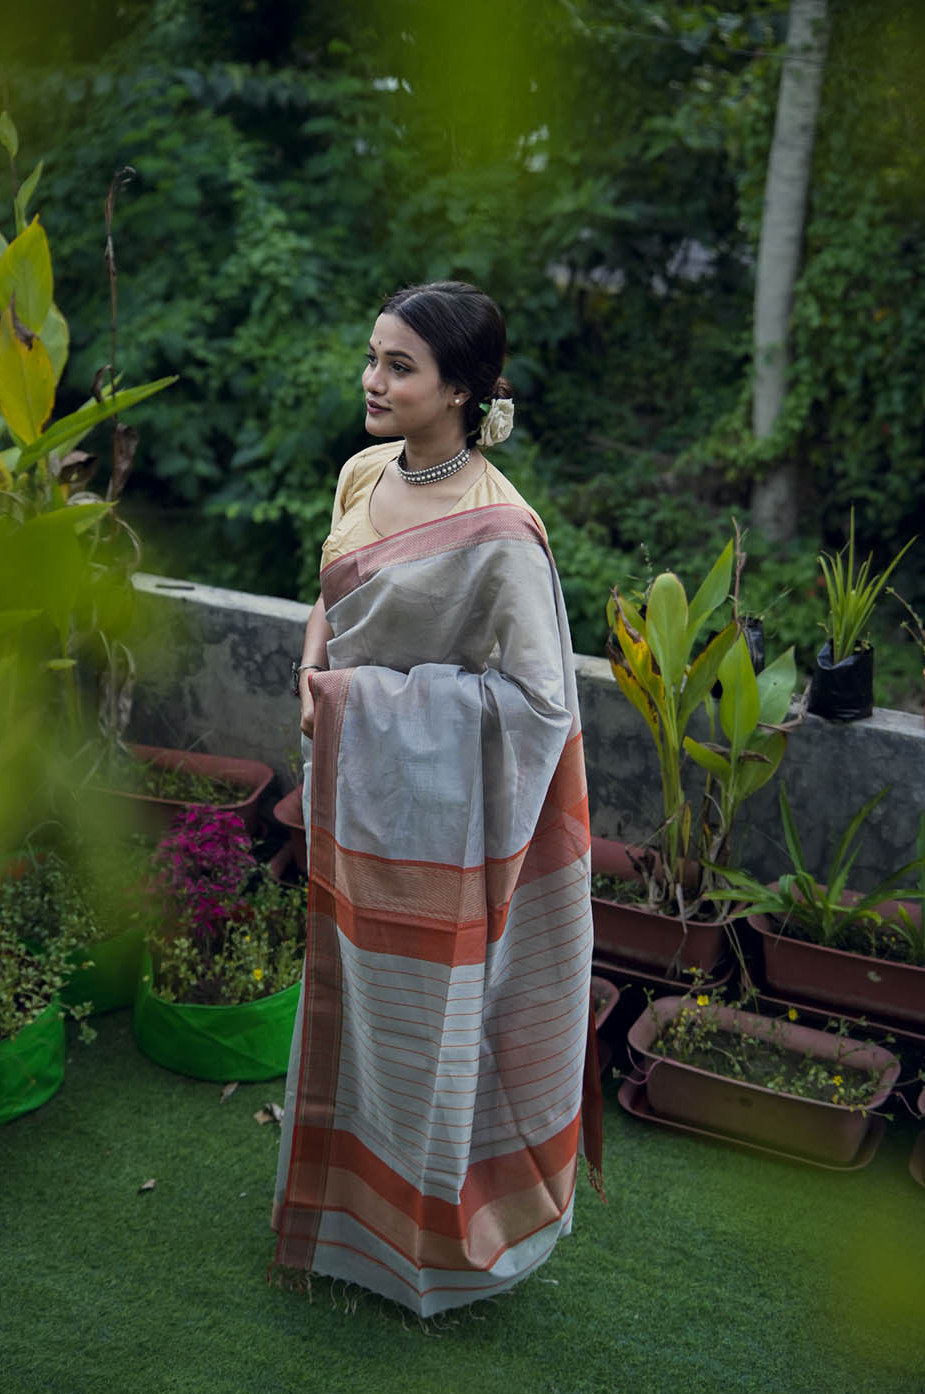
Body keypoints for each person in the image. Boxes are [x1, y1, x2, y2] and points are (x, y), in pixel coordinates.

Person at [271, 281, 600, 1318]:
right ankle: (340, 1223)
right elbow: (330, 597)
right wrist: (316, 663)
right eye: (373, 357)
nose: (372, 380)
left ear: (463, 388)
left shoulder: (500, 529)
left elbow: (541, 705)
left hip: (440, 821)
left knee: (429, 1023)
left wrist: (362, 704)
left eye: (399, 366)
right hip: (357, 797)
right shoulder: (362, 471)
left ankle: (426, 1244)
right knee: (348, 999)